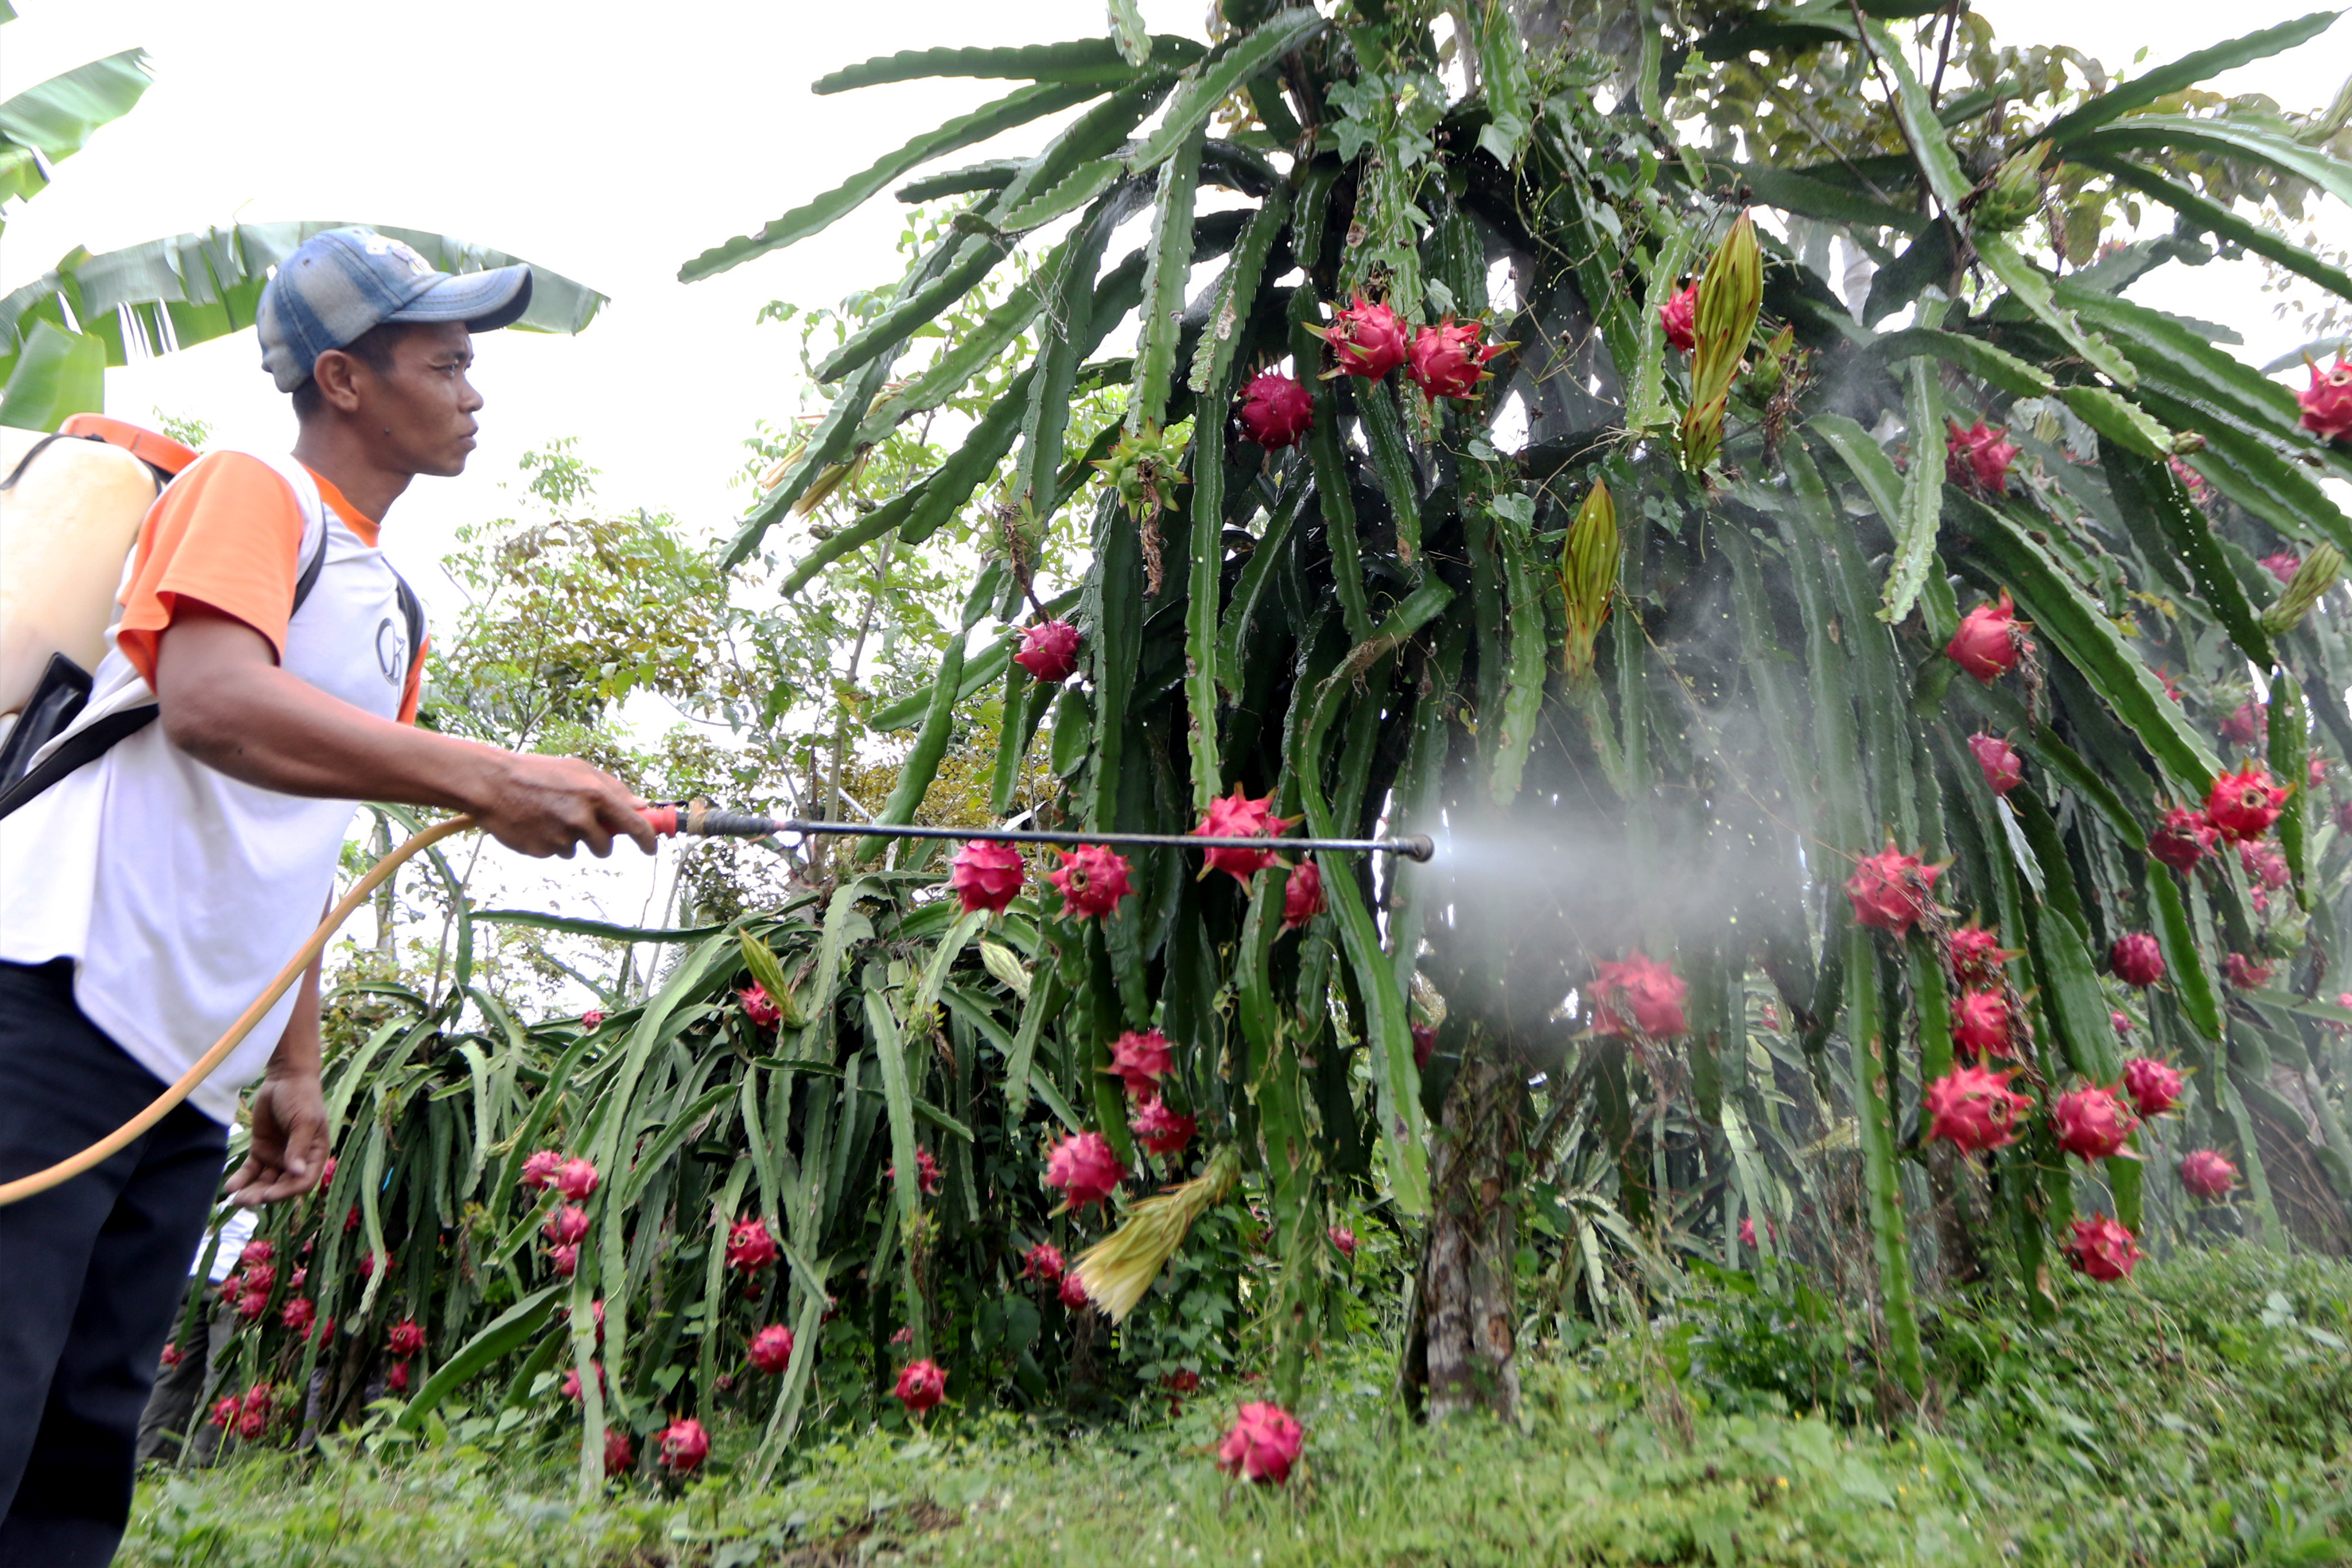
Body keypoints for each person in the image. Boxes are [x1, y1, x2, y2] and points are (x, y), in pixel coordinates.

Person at [0, 227, 654, 1566]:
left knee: (82, 1442)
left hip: (189, 1069)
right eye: (447, 361)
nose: (475, 391)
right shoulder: (253, 491)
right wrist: (490, 775)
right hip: (57, 1002)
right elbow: (213, 704)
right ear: (345, 381)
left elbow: (298, 819)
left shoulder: (384, 600)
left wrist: (291, 1064)